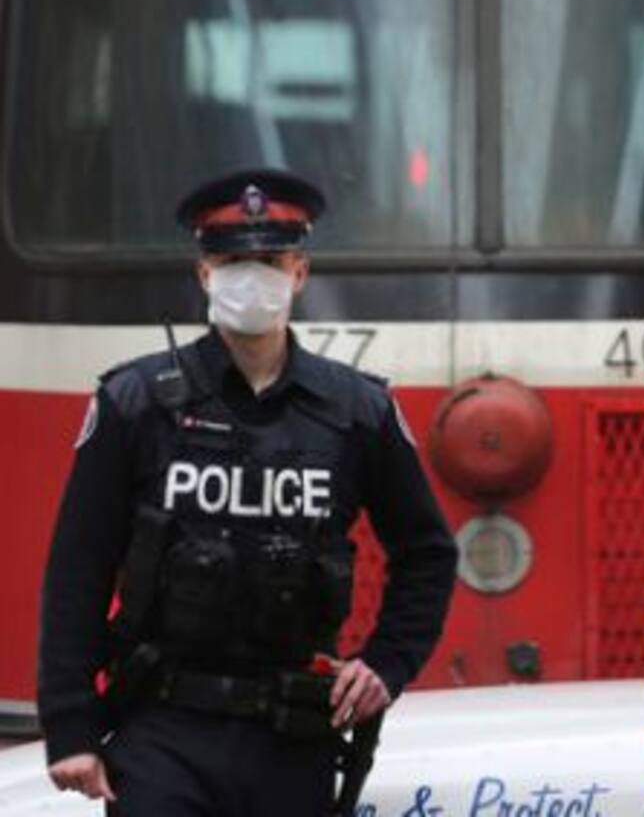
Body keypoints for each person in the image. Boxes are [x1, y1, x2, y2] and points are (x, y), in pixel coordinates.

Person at [38, 167, 459, 815]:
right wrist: (71, 726)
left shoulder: (357, 411)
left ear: (300, 273)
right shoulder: (136, 403)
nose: (251, 277)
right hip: (162, 730)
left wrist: (387, 664)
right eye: (234, 262)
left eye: (270, 261)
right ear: (205, 274)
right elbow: (79, 566)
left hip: (293, 738)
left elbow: (428, 552)